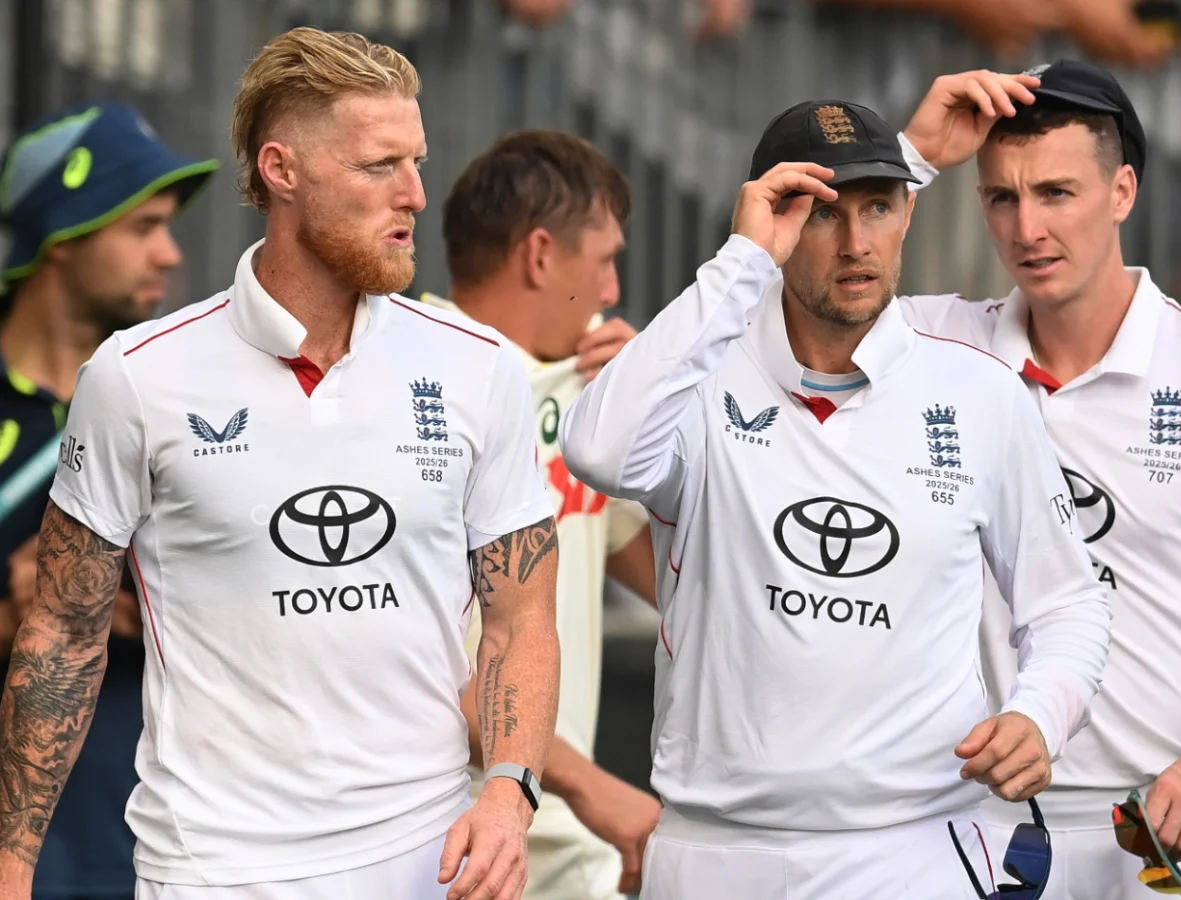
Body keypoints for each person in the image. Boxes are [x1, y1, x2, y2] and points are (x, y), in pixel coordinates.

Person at [0, 27, 561, 900]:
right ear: (281, 171)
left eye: (417, 161)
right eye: (380, 166)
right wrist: (12, 865)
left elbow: (521, 622)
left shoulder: (479, 365)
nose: (414, 192)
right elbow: (63, 634)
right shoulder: (137, 375)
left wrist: (509, 791)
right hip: (212, 871)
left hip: (431, 861)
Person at [559, 95, 1111, 898]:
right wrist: (741, 261)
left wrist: (1040, 713)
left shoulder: (982, 392)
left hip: (914, 848)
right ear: (769, 223)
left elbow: (1068, 604)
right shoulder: (698, 375)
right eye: (819, 216)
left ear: (907, 214)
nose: (856, 244)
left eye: (878, 209)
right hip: (714, 850)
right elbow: (598, 451)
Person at [895, 60, 1181, 898]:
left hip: (1159, 830)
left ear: (1123, 191)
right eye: (1001, 197)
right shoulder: (925, 348)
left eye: (1058, 193)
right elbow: (773, 317)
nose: (1027, 227)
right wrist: (913, 156)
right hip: (963, 830)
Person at [422, 128, 663, 900]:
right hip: (447, 839)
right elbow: (421, 661)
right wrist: (591, 785)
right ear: (538, 256)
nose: (613, 291)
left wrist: (665, 415)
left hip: (567, 846)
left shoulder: (585, 396)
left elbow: (688, 580)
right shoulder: (418, 393)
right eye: (603, 261)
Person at [0, 102, 217, 900]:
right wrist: (30, 610)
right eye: (143, 225)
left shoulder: (181, 396)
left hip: (176, 848)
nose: (170, 254)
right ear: (65, 237)